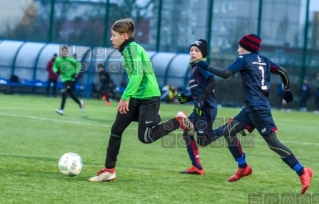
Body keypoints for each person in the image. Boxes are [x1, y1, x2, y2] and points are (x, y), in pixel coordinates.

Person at [196, 34, 313, 194]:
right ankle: (243, 167)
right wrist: (287, 90)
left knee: (274, 144)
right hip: (251, 109)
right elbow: (283, 72)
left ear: (248, 47)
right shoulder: (265, 60)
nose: (238, 49)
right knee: (228, 131)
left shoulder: (243, 60)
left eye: (240, 46)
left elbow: (225, 74)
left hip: (259, 111)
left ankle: (302, 171)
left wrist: (204, 65)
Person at [89, 18, 195, 182]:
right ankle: (109, 170)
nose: (111, 38)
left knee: (146, 137)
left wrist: (125, 97)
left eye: (114, 35)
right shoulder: (128, 49)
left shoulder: (131, 49)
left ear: (124, 36)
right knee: (116, 129)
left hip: (148, 98)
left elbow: (138, 74)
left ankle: (179, 120)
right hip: (136, 97)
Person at [178, 39, 229, 175]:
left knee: (203, 140)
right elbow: (200, 90)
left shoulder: (201, 65)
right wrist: (187, 98)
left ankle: (229, 127)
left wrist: (201, 101)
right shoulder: (194, 67)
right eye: (191, 50)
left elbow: (213, 82)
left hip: (207, 108)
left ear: (203, 53)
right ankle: (197, 167)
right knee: (187, 133)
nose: (193, 53)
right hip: (199, 108)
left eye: (197, 50)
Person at [53, 46, 84, 115]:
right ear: (61, 52)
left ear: (67, 52)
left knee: (64, 91)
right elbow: (54, 67)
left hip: (71, 79)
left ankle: (61, 109)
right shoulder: (58, 60)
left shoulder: (71, 59)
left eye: (65, 51)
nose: (64, 52)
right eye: (63, 51)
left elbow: (79, 65)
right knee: (70, 94)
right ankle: (80, 102)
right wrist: (56, 71)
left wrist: (76, 73)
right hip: (64, 79)